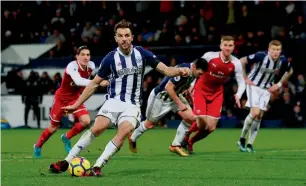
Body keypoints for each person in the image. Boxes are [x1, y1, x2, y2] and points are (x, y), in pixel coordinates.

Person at [49, 20, 189, 176]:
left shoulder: (142, 53)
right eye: (120, 36)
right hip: (113, 101)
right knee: (98, 127)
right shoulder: (110, 58)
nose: (124, 39)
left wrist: (179, 71)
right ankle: (67, 160)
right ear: (116, 38)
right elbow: (94, 84)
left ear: (132, 37)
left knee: (124, 131)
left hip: (133, 105)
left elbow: (166, 70)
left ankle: (97, 167)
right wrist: (76, 105)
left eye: (127, 35)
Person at [33, 46, 104, 158]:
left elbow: (85, 82)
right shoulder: (72, 66)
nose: (86, 57)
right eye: (83, 54)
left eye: (88, 55)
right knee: (53, 128)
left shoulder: (91, 66)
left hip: (75, 98)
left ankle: (66, 137)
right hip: (61, 99)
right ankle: (38, 146)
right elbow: (78, 80)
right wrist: (97, 83)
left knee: (86, 121)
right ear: (77, 56)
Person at [128, 58, 208, 156]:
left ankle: (175, 145)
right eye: (199, 74)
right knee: (149, 124)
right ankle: (133, 136)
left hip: (176, 96)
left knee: (190, 118)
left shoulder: (193, 72)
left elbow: (184, 85)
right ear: (194, 67)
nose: (200, 76)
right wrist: (180, 104)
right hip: (161, 98)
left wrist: (187, 91)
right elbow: (168, 88)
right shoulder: (183, 71)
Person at [182, 36, 246, 154]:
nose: (227, 48)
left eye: (230, 45)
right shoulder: (209, 56)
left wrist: (238, 94)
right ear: (221, 46)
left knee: (210, 128)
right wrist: (190, 85)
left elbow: (241, 81)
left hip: (216, 93)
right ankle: (186, 134)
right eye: (225, 45)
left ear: (234, 47)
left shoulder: (235, 63)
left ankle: (190, 142)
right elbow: (194, 67)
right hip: (201, 89)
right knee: (202, 122)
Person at [237, 40, 293, 152]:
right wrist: (245, 77)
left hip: (267, 89)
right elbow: (242, 61)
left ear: (280, 50)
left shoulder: (283, 60)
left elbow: (290, 71)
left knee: (259, 116)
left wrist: (279, 84)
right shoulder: (260, 56)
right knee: (255, 112)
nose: (275, 52)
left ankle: (250, 144)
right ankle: (242, 139)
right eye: (273, 49)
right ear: (269, 49)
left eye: (278, 50)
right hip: (253, 85)